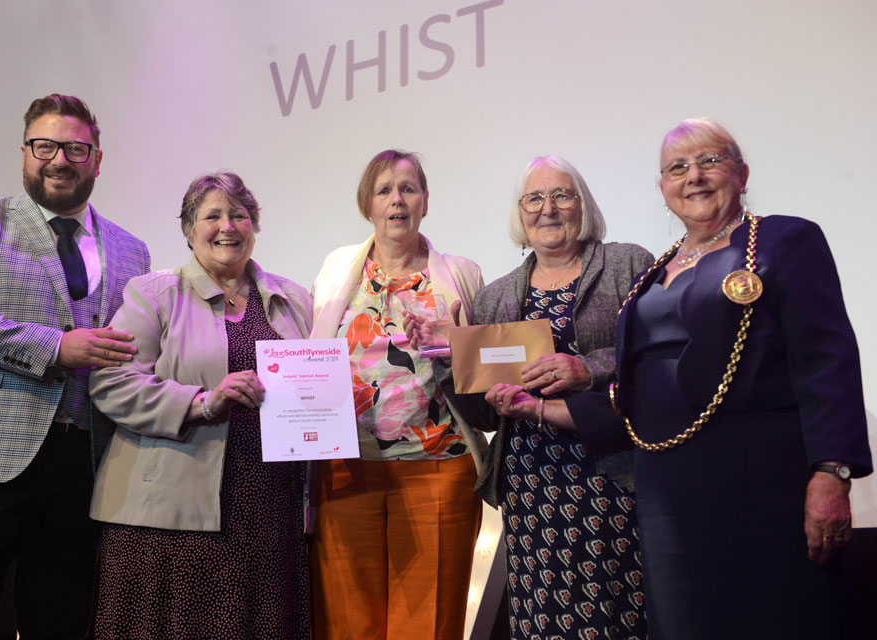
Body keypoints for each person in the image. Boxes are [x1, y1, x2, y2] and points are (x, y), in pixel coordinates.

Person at [487, 119, 873, 639]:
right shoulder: (658, 272)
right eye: (676, 167)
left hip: (762, 482)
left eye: (709, 160)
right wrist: (538, 409)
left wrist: (832, 472)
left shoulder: (784, 240)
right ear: (663, 186)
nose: (693, 175)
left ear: (742, 172)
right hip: (666, 490)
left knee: (778, 616)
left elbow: (826, 358)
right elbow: (635, 390)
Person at [0, 94, 150, 638]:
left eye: (75, 147)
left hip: (84, 467)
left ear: (97, 158)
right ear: (25, 152)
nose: (60, 159)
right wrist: (55, 346)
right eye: (45, 145)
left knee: (61, 623)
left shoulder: (131, 250)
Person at [409, 156, 654, 640]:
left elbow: (653, 357)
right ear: (520, 213)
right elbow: (483, 414)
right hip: (533, 486)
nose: (548, 209)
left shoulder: (629, 264)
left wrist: (588, 368)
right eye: (534, 199)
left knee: (623, 615)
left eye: (562, 195)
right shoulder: (496, 297)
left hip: (613, 476)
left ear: (583, 206)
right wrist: (446, 352)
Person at [88, 171, 313, 639]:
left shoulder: (293, 299)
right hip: (171, 513)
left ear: (255, 227)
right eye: (212, 215)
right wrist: (202, 402)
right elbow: (110, 382)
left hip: (269, 508)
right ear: (189, 230)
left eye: (240, 215)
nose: (227, 226)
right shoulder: (153, 294)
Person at [309, 150, 485, 639]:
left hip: (441, 465)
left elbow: (482, 374)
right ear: (367, 203)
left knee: (428, 622)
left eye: (408, 188)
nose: (397, 200)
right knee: (348, 619)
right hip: (347, 466)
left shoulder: (462, 275)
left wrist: (451, 342)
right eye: (384, 190)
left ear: (425, 201)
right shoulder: (336, 269)